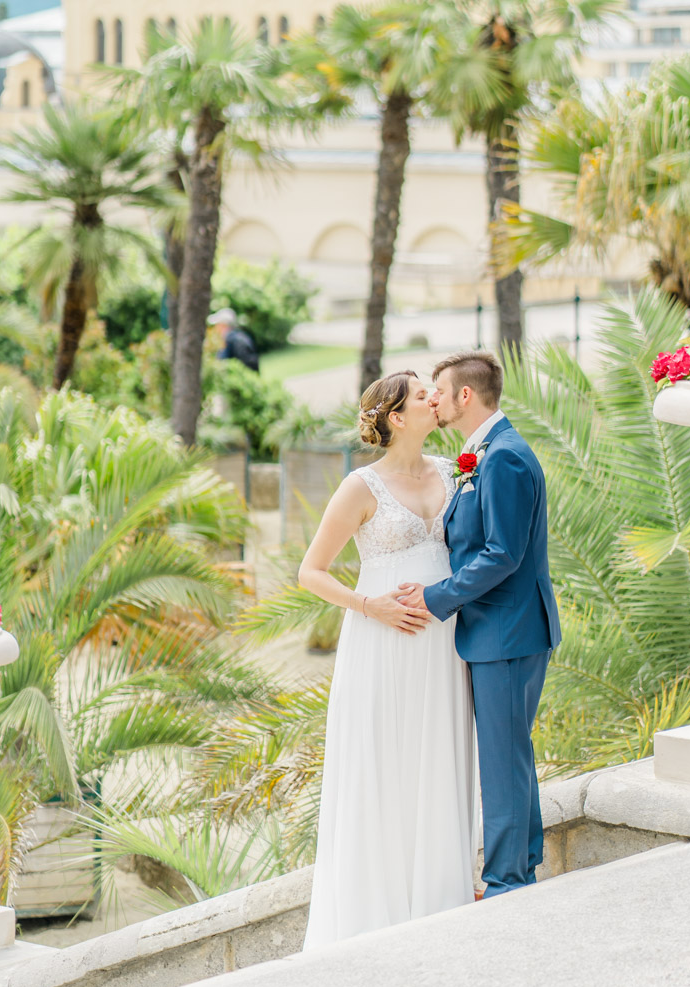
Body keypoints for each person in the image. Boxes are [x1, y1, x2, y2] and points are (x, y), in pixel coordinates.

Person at [299, 370, 477, 949]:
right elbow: (311, 571)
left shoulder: (455, 472)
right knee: (384, 760)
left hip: (443, 642)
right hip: (382, 640)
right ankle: (376, 911)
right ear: (397, 417)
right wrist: (368, 605)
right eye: (424, 394)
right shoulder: (360, 486)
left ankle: (437, 898)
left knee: (438, 753)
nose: (435, 397)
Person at [398, 350, 560, 898]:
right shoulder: (484, 453)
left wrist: (436, 597)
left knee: (501, 756)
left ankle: (507, 881)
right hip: (498, 631)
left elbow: (502, 554)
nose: (434, 400)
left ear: (465, 396)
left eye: (439, 392)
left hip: (509, 632)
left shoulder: (504, 458)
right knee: (508, 750)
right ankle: (524, 862)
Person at [208, 307, 259, 371]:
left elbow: (220, 364)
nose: (215, 328)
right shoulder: (241, 335)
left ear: (222, 325)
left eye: (217, 325)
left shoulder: (228, 340)